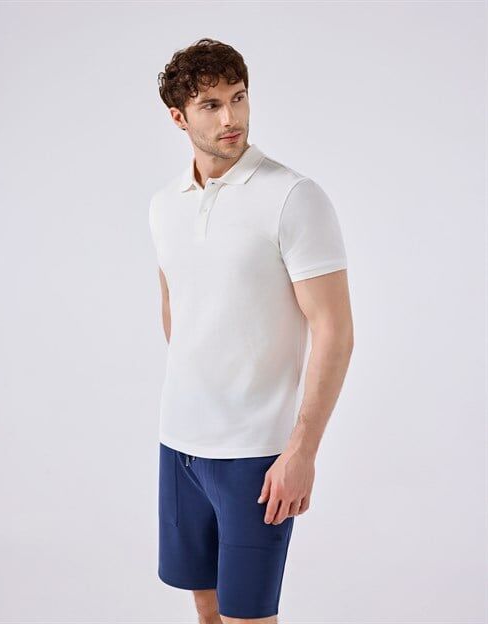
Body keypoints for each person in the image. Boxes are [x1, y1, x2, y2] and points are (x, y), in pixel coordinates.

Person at [149, 37, 354, 624]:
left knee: (249, 619)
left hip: (256, 457)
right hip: (179, 446)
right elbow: (177, 311)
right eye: (211, 105)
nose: (230, 118)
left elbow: (335, 330)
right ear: (179, 117)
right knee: (206, 611)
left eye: (238, 98)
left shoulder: (293, 197)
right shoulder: (165, 205)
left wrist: (302, 451)